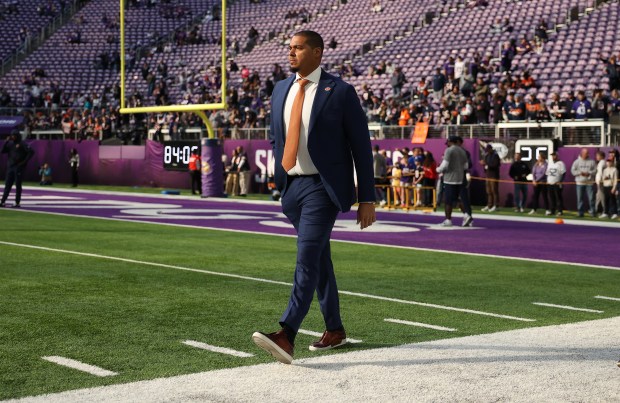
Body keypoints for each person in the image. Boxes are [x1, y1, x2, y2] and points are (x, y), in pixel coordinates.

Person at [252, 31, 376, 365]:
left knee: (307, 257)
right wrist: (281, 180)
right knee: (319, 260)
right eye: (289, 48)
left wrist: (367, 197)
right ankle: (334, 329)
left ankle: (287, 333)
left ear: (317, 52)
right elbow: (278, 138)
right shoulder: (280, 89)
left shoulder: (341, 92)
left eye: (298, 47)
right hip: (292, 189)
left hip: (324, 188)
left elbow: (361, 148)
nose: (291, 53)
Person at [436, 136, 468, 227]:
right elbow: (466, 166)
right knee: (456, 199)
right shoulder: (462, 151)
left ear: (450, 142)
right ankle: (466, 214)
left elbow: (445, 165)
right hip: (459, 178)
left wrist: (438, 169)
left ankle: (448, 220)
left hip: (449, 179)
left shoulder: (449, 150)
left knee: (448, 201)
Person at [1, 130, 34, 208]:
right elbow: (2, 151)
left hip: (18, 167)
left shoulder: (22, 143)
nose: (12, 137)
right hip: (10, 167)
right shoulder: (10, 144)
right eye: (11, 135)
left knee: (18, 185)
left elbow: (31, 152)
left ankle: (17, 202)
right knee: (7, 185)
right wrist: (6, 142)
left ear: (17, 135)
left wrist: (24, 162)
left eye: (14, 135)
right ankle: (2, 201)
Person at [570, 148, 597, 217]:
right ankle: (580, 213)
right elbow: (572, 171)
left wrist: (589, 173)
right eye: (585, 153)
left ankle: (593, 212)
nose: (587, 154)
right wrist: (580, 173)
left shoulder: (592, 161)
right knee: (580, 199)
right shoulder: (576, 161)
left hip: (589, 183)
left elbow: (595, 170)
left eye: (587, 153)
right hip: (579, 183)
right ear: (582, 153)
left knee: (591, 199)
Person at [480, 144, 500, 212]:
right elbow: (486, 165)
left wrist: (486, 164)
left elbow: (495, 165)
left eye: (488, 150)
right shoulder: (487, 155)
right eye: (486, 150)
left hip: (494, 176)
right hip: (488, 176)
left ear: (491, 149)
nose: (487, 151)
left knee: (494, 191)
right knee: (488, 191)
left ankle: (495, 205)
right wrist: (484, 165)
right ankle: (489, 205)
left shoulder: (495, 155)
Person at [546, 151, 566, 216]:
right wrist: (547, 180)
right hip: (550, 183)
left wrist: (561, 181)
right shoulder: (550, 163)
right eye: (552, 156)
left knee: (558, 198)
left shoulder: (561, 163)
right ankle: (552, 210)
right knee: (551, 198)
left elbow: (563, 173)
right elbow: (547, 173)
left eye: (554, 155)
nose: (553, 157)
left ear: (557, 156)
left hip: (556, 183)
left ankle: (560, 211)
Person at [594, 151, 607, 217]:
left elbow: (601, 173)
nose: (596, 157)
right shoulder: (601, 163)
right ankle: (595, 209)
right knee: (598, 197)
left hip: (601, 183)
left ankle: (605, 211)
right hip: (599, 182)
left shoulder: (602, 162)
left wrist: (601, 180)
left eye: (597, 156)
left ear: (601, 156)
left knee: (602, 197)